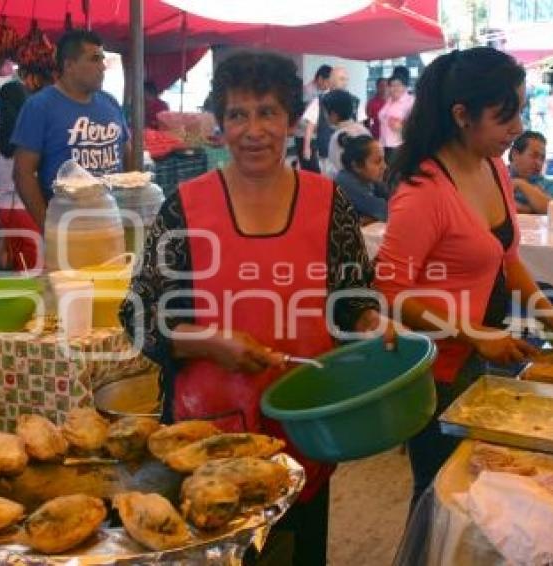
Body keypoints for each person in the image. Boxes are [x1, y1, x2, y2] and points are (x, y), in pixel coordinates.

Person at [121, 51, 389, 566]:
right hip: (205, 439)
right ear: (221, 126)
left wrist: (375, 324)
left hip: (307, 428)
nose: (253, 129)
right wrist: (205, 343)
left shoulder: (328, 201)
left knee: (298, 552)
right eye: (238, 115)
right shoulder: (185, 204)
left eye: (267, 112)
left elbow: (353, 300)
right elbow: (136, 316)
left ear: (290, 120)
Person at [373, 47, 553, 512]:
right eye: (505, 116)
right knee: (437, 493)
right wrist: (476, 333)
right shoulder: (423, 191)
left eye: (520, 112)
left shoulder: (493, 167)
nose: (517, 129)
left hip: (477, 354)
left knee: (475, 489)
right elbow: (390, 291)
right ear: (461, 115)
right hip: (433, 367)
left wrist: (551, 316)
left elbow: (506, 257)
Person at [11, 29, 130, 229]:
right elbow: (23, 173)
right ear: (69, 65)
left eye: (103, 60)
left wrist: (130, 205)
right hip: (69, 227)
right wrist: (48, 227)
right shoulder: (39, 106)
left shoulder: (110, 103)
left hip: (112, 222)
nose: (102, 67)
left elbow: (127, 152)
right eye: (94, 59)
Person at [0, 77, 42, 270]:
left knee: (20, 271)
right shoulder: (33, 133)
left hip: (5, 211)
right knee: (38, 273)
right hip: (31, 209)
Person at [302, 66, 358, 174]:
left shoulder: (355, 101)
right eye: (341, 79)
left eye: (346, 79)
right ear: (332, 80)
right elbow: (310, 125)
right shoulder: (320, 101)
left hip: (348, 153)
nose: (345, 82)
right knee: (328, 184)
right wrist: (306, 147)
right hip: (327, 153)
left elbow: (359, 125)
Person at [334, 134, 389, 223]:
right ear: (356, 166)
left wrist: (370, 218)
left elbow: (393, 197)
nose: (384, 166)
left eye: (383, 160)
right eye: (377, 162)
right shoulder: (346, 183)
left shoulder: (368, 178)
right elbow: (388, 211)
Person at [508, 131, 553, 214]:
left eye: (542, 158)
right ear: (515, 154)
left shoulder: (550, 185)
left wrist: (521, 184)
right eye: (534, 156)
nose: (539, 163)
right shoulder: (495, 178)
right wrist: (530, 209)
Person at [321, 89, 370, 178]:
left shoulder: (337, 137)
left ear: (333, 115)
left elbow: (336, 168)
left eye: (324, 112)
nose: (324, 116)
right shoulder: (363, 130)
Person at [295, 64, 332, 172]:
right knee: (312, 170)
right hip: (304, 135)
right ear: (320, 79)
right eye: (327, 82)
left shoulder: (320, 92)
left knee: (311, 168)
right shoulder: (307, 92)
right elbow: (302, 118)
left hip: (314, 136)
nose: (328, 86)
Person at [378, 72, 414, 163]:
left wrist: (402, 127)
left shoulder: (410, 101)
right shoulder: (389, 100)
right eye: (391, 85)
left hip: (399, 146)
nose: (394, 88)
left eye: (398, 85)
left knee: (395, 174)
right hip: (384, 144)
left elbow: (417, 123)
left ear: (405, 87)